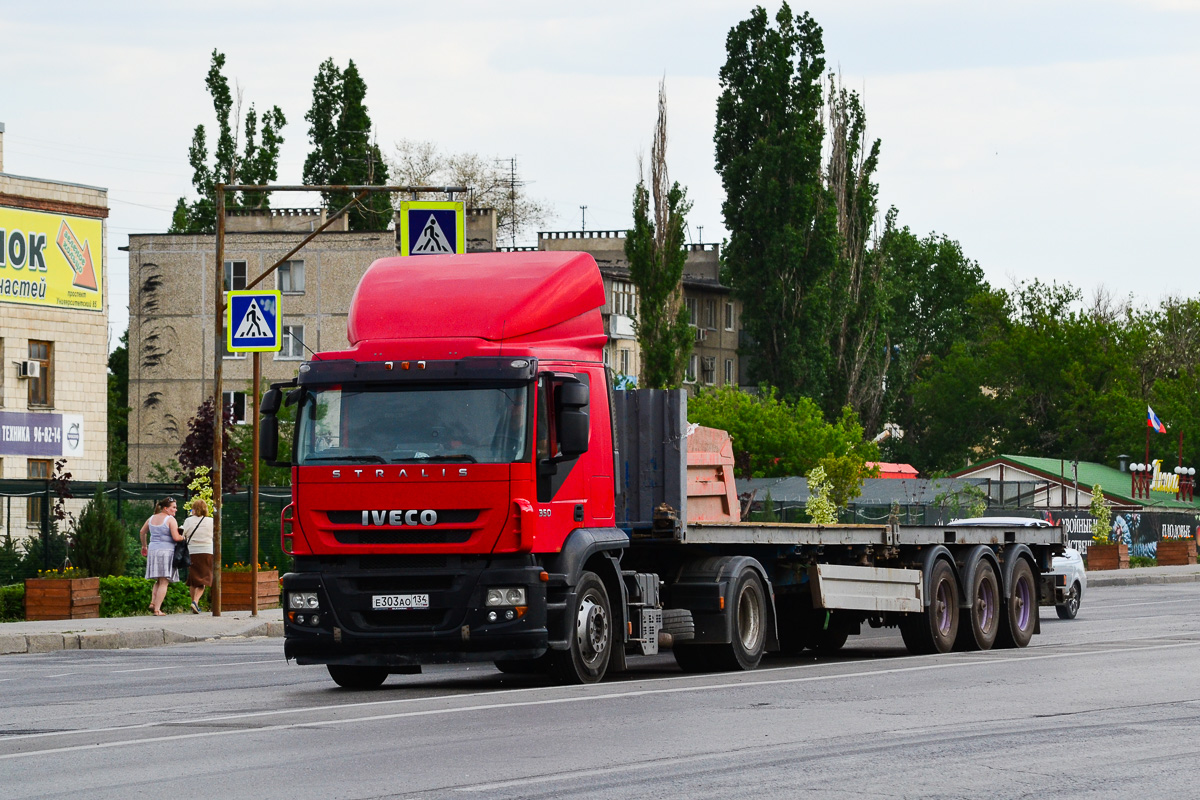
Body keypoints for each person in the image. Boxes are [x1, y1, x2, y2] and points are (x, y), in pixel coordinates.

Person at [140, 497, 183, 616]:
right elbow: (175, 537)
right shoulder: (170, 519)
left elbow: (142, 532)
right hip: (166, 550)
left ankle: (153, 602)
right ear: (166, 508)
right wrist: (183, 537)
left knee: (158, 580)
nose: (176, 510)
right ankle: (157, 610)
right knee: (164, 581)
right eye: (173, 507)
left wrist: (144, 546)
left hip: (153, 550)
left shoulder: (151, 518)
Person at [182, 498, 213, 614]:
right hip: (206, 551)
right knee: (203, 580)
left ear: (194, 509)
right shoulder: (211, 521)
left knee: (193, 579)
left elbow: (183, 535)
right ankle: (195, 602)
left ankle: (194, 603)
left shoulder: (188, 521)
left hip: (192, 552)